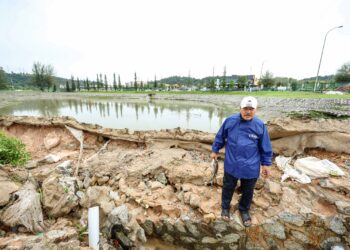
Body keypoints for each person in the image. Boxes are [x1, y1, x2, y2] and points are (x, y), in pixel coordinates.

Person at [210, 96, 272, 227]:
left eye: (251, 109)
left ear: (256, 110)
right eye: (245, 108)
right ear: (240, 108)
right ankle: (225, 207)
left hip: (251, 165)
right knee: (228, 187)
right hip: (232, 163)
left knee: (248, 190)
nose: (248, 112)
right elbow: (220, 137)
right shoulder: (230, 121)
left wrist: (266, 164)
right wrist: (215, 150)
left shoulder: (260, 125)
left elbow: (265, 146)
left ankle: (244, 209)